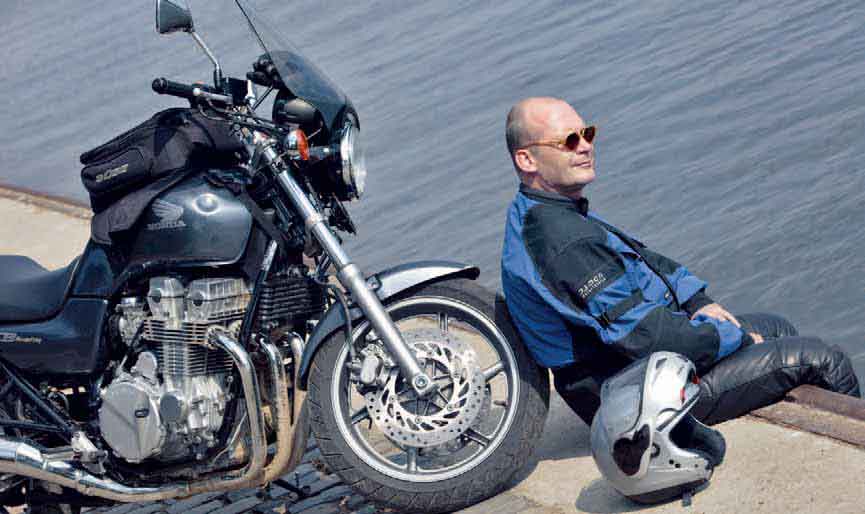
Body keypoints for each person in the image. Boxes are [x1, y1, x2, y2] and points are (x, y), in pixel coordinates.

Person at [500, 96, 860, 426]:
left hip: (636, 366)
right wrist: (736, 338)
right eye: (568, 141)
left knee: (776, 327)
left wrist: (697, 302)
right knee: (823, 360)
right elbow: (648, 336)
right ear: (527, 159)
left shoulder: (547, 210)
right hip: (630, 394)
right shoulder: (563, 240)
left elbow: (647, 261)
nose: (585, 146)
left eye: (587, 133)